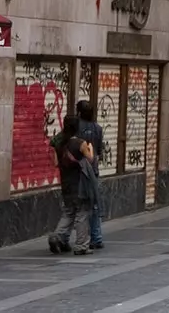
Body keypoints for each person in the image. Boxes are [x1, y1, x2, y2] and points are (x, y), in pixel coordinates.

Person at [47, 127, 96, 255]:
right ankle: (81, 245)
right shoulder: (80, 143)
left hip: (66, 184)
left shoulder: (59, 143)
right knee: (81, 214)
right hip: (80, 184)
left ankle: (57, 237)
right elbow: (90, 159)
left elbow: (56, 163)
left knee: (68, 212)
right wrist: (91, 148)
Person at [72, 100, 106, 250]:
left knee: (80, 206)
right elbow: (98, 151)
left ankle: (80, 238)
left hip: (79, 171)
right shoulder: (98, 128)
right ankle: (96, 236)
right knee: (95, 203)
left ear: (79, 112)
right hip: (93, 170)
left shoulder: (75, 128)